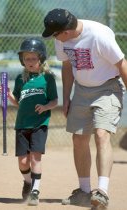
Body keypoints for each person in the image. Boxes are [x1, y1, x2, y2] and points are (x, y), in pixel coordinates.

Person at [42, 8, 127, 208]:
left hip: (108, 88)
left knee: (101, 134)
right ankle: (84, 191)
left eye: (55, 33)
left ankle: (102, 192)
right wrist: (66, 97)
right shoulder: (61, 39)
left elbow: (122, 65)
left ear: (66, 31)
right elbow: (67, 66)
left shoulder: (99, 35)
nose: (54, 38)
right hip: (81, 90)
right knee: (78, 138)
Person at [0, 38, 58, 206]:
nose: (30, 62)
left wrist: (46, 106)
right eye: (27, 58)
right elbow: (18, 102)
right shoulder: (20, 79)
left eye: (33, 58)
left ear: (41, 59)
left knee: (35, 158)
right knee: (23, 162)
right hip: (22, 124)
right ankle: (27, 181)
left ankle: (35, 191)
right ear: (22, 60)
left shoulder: (48, 79)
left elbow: (54, 101)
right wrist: (8, 94)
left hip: (39, 124)